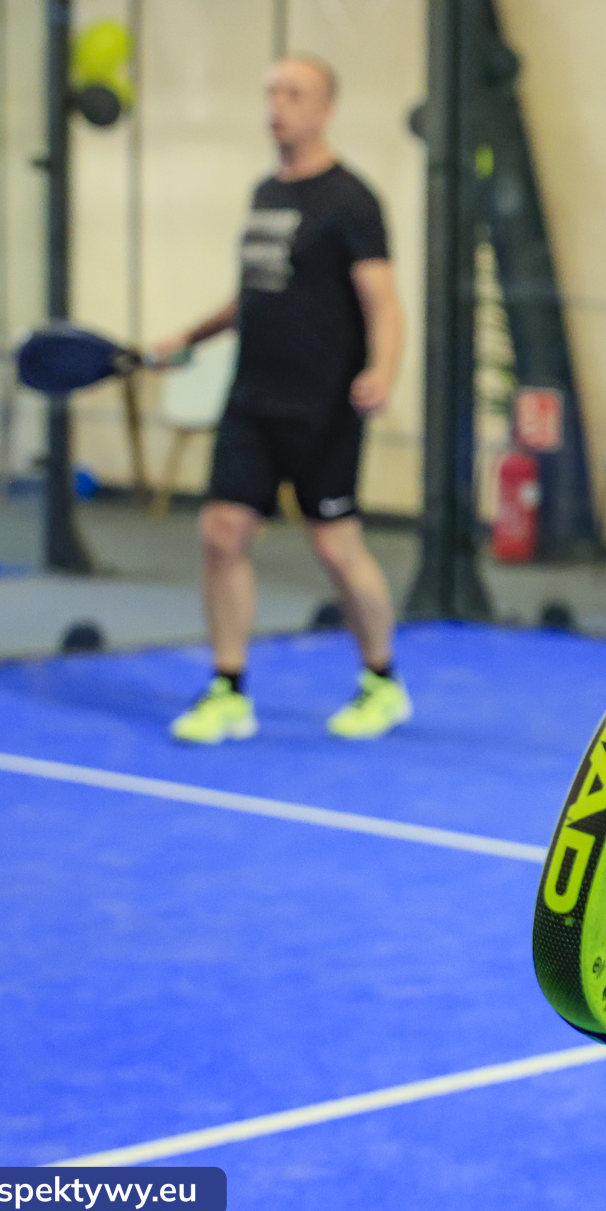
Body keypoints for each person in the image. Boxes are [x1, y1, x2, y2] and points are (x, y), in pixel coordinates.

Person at [158, 54, 410, 744]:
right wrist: (190, 336)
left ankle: (382, 680)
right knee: (221, 532)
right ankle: (228, 687)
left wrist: (383, 369)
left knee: (335, 547)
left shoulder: (352, 200)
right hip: (252, 399)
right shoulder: (265, 192)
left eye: (295, 93)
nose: (279, 104)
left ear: (325, 109)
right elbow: (258, 295)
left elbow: (383, 301)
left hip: (326, 405)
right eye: (272, 90)